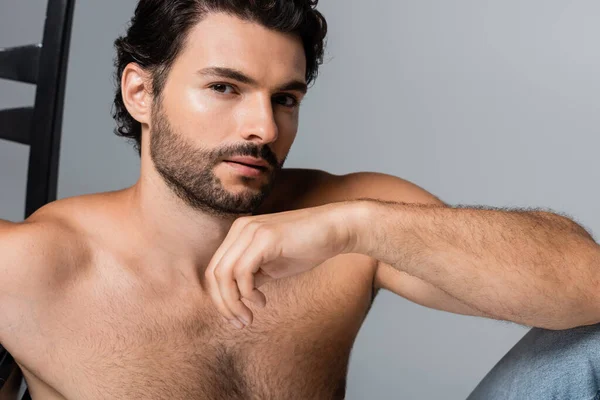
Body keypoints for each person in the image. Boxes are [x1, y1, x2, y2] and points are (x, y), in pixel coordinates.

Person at [1, 1, 599, 399]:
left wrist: (356, 228)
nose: (263, 126)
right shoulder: (31, 266)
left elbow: (590, 286)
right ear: (140, 91)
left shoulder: (345, 216)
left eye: (285, 99)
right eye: (224, 87)